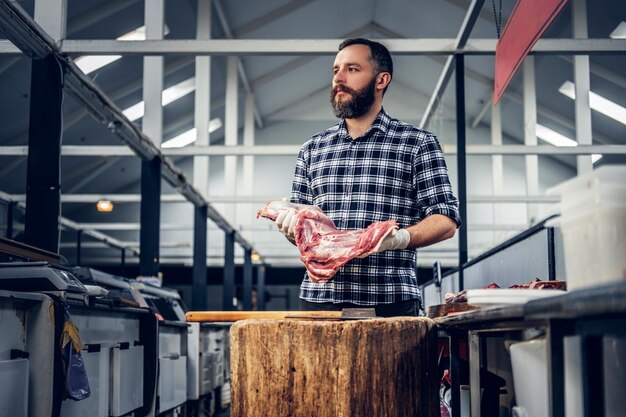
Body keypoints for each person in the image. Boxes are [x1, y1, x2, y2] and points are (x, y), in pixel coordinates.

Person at [276, 38, 460, 317]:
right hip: (319, 302)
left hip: (389, 301)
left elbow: (446, 220)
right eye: (335, 70)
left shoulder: (417, 143)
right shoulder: (312, 148)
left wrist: (400, 238)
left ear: (381, 79)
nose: (338, 78)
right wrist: (292, 230)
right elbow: (304, 228)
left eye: (352, 69)